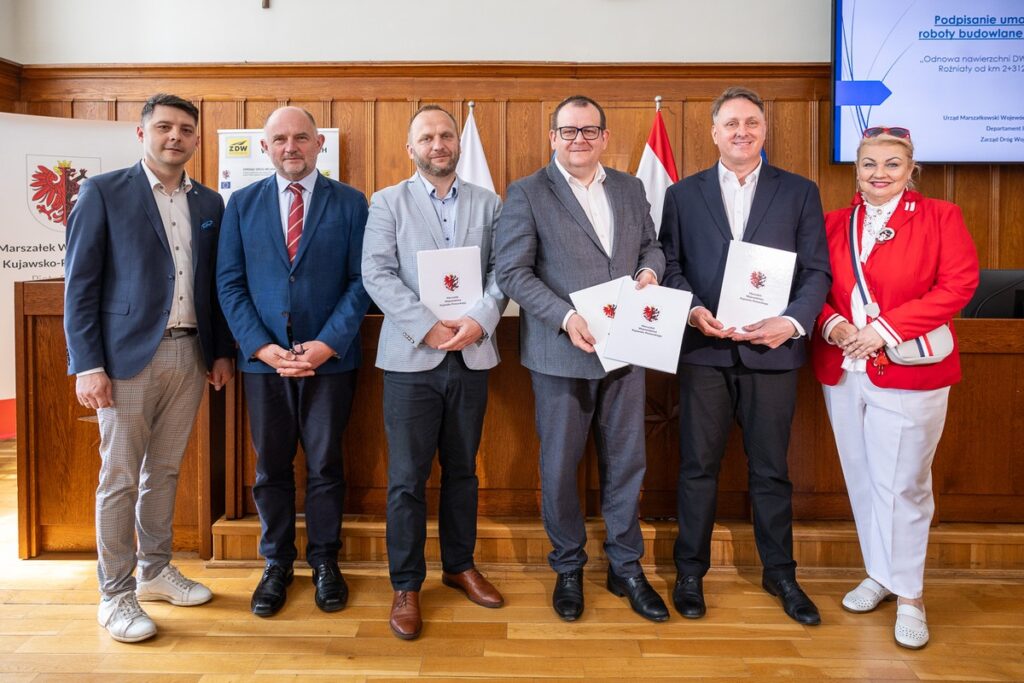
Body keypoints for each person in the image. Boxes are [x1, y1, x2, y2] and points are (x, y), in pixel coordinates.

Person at [64, 93, 235, 643]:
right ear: (142, 134)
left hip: (190, 354)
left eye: (186, 129)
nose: (175, 137)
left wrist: (221, 351)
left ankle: (155, 570)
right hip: (124, 359)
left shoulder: (210, 204)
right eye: (164, 127)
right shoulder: (102, 192)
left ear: (196, 139)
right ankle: (114, 595)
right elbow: (80, 287)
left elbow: (213, 286)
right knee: (118, 478)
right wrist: (87, 364)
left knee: (162, 472)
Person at [660, 86, 831, 625]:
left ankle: (780, 573)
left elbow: (817, 272)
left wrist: (791, 322)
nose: (741, 131)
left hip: (772, 353)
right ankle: (690, 572)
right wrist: (691, 311)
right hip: (705, 352)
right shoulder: (683, 195)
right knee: (697, 468)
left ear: (764, 130)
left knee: (772, 471)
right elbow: (669, 264)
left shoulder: (799, 192)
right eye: (731, 123)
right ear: (713, 132)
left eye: (751, 123)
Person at [495, 95, 667, 623]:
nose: (579, 140)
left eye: (590, 131)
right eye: (568, 132)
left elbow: (652, 247)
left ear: (605, 138)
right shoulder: (527, 193)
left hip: (627, 351)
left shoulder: (630, 187)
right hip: (560, 351)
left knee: (626, 462)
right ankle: (568, 566)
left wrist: (650, 274)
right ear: (553, 138)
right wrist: (567, 318)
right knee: (559, 466)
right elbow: (512, 273)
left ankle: (626, 567)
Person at [811, 126, 978, 649]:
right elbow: (810, 285)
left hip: (907, 368)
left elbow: (958, 284)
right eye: (868, 164)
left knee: (903, 483)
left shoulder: (940, 217)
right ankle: (880, 573)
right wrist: (833, 325)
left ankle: (911, 594)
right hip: (844, 370)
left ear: (911, 170)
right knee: (862, 477)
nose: (879, 174)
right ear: (855, 169)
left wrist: (882, 331)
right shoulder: (833, 223)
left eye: (891, 164)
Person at [217, 106, 370, 617]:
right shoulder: (240, 205)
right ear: (264, 148)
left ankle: (325, 560)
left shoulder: (351, 203)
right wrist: (260, 347)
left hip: (329, 361)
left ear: (318, 143)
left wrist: (328, 344)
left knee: (326, 465)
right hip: (265, 363)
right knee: (271, 468)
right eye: (280, 139)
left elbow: (360, 281)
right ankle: (276, 562)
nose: (291, 147)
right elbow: (229, 283)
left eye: (301, 138)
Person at [362, 105, 507, 640]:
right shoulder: (387, 202)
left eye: (446, 135)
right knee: (406, 480)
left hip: (471, 354)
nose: (438, 143)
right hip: (410, 358)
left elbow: (502, 270)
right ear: (411, 147)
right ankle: (406, 585)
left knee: (463, 470)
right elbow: (375, 272)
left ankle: (460, 565)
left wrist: (480, 318)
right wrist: (426, 325)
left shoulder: (489, 203)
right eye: (427, 137)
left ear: (458, 144)